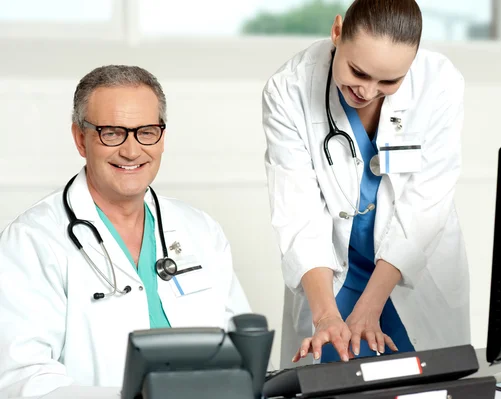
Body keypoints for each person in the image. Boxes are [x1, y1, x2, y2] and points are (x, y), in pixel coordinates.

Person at [0, 65, 251, 398]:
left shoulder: (201, 230)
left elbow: (242, 349)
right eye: (112, 132)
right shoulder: (33, 240)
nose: (132, 151)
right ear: (80, 138)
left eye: (146, 131)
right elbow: (22, 379)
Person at [262, 0, 470, 368]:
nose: (368, 91)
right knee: (328, 379)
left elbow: (426, 204)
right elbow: (298, 212)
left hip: (408, 271)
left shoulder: (439, 83)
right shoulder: (289, 89)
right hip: (330, 276)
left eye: (389, 81)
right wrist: (326, 316)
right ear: (337, 32)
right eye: (357, 72)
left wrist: (370, 307)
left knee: (427, 383)